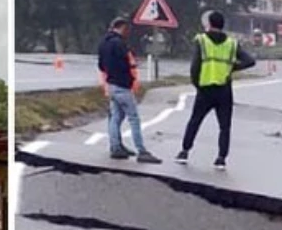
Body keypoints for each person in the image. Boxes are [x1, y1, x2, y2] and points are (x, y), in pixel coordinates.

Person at [176, 11, 256, 170]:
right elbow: (250, 61)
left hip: (205, 89)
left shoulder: (202, 40)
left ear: (209, 24)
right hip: (224, 90)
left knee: (195, 121)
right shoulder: (232, 43)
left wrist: (197, 84)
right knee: (224, 126)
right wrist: (232, 67)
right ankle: (221, 159)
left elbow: (195, 66)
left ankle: (184, 152)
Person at [97, 18, 161, 164]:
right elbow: (126, 64)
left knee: (116, 117)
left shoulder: (103, 43)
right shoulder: (119, 44)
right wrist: (129, 79)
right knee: (134, 118)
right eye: (127, 29)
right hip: (122, 86)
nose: (128, 32)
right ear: (122, 27)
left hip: (111, 85)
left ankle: (116, 147)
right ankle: (142, 151)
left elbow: (101, 65)